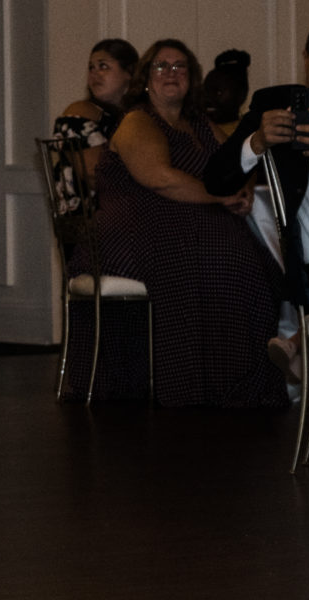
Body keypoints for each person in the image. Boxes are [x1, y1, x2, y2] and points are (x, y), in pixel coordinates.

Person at [73, 38, 285, 408]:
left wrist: (245, 189)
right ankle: (195, 383)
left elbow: (236, 160)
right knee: (218, 254)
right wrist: (221, 196)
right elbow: (159, 177)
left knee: (248, 256)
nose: (171, 73)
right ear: (145, 78)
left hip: (186, 220)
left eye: (180, 67)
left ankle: (239, 383)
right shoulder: (138, 120)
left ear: (192, 78)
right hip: (131, 228)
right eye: (161, 66)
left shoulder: (199, 123)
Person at [205, 19, 309, 386]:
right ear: (306, 58)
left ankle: (300, 341)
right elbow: (216, 179)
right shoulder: (273, 104)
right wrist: (257, 143)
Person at [52, 38, 141, 209]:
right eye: (91, 67)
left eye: (103, 66)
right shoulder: (79, 112)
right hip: (93, 217)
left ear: (129, 72)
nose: (94, 74)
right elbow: (96, 175)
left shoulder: (139, 116)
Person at [195, 47, 252, 134]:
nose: (208, 98)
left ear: (241, 95)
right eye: (205, 91)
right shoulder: (194, 131)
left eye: (218, 92)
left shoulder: (248, 134)